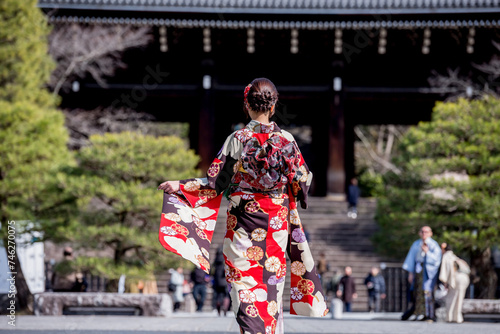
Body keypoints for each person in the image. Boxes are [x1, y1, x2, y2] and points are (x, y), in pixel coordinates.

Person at [158, 78, 328, 333]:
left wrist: (180, 185)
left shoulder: (237, 139)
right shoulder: (288, 141)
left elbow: (215, 183)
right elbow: (302, 183)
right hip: (275, 229)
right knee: (271, 293)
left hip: (242, 230)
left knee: (245, 293)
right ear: (273, 106)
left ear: (246, 105)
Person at [402, 226, 441, 321]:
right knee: (417, 292)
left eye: (426, 232)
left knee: (427, 292)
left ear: (430, 233)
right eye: (422, 232)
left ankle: (429, 314)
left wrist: (427, 252)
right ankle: (419, 313)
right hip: (418, 271)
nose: (424, 234)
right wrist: (411, 272)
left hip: (429, 272)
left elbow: (436, 260)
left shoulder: (433, 245)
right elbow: (411, 259)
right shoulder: (416, 244)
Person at [439, 244, 470, 323]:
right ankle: (458, 318)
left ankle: (450, 317)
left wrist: (445, 282)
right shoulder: (454, 256)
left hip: (456, 277)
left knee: (451, 298)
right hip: (464, 277)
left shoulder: (446, 256)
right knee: (459, 298)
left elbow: (445, 271)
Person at [211, 247, 230, 316]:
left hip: (217, 282)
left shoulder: (215, 263)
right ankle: (225, 307)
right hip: (224, 282)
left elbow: (211, 272)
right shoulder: (225, 262)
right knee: (226, 295)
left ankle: (218, 307)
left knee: (217, 295)